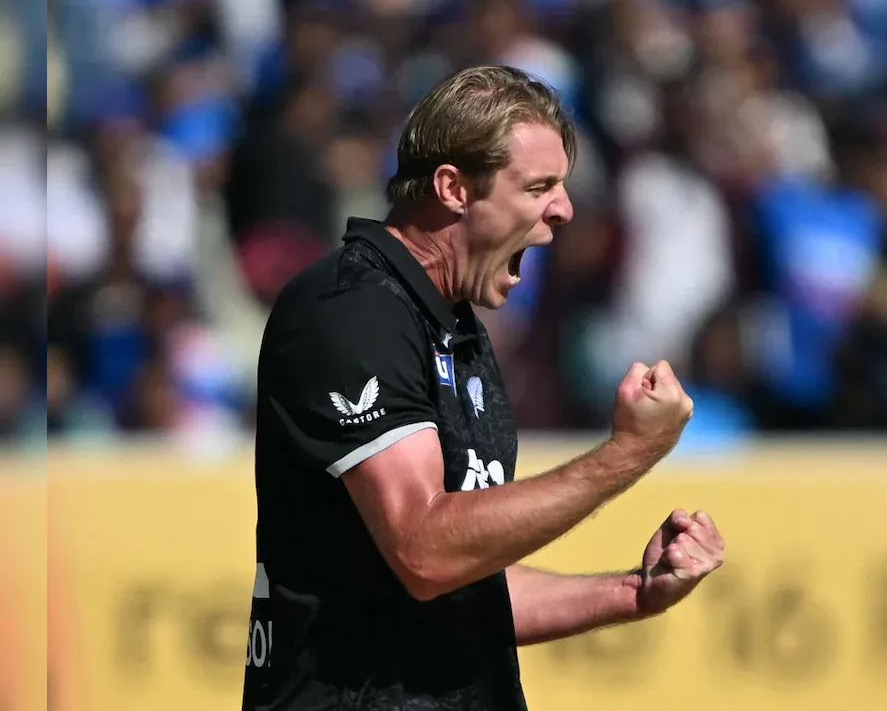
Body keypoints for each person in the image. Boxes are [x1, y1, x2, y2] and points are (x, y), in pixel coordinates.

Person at [241, 65, 725, 711]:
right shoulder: (353, 311)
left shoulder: (454, 325)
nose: (564, 209)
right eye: (539, 187)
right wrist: (628, 453)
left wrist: (634, 592)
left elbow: (466, 588)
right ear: (453, 188)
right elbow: (425, 552)